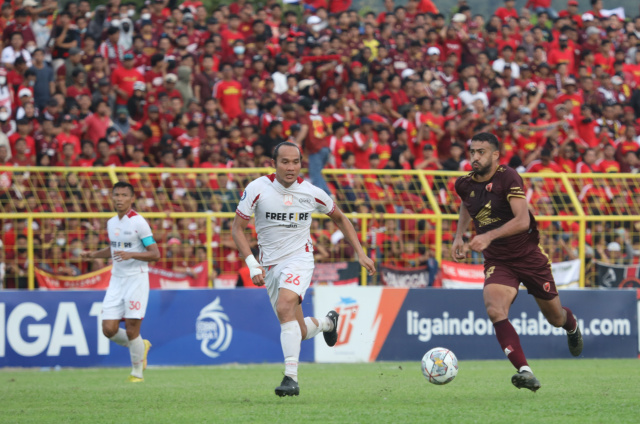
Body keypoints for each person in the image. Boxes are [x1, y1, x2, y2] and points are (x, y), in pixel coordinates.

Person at [232, 142, 376, 396]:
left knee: (285, 306)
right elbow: (237, 229)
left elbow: (341, 218)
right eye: (284, 162)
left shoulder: (312, 192)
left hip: (300, 258)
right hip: (270, 265)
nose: (290, 167)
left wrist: (360, 252)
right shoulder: (257, 189)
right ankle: (327, 323)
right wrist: (252, 263)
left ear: (302, 163)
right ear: (273, 163)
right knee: (296, 330)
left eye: (295, 162)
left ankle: (291, 379)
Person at [451, 132, 583, 392]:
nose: (475, 157)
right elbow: (467, 204)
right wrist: (459, 236)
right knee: (494, 309)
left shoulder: (508, 177)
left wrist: (487, 235)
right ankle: (525, 371)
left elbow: (523, 221)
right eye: (472, 152)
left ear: (495, 155)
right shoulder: (464, 183)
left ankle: (572, 326)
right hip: (498, 260)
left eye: (481, 152)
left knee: (555, 318)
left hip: (528, 257)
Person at [80, 182, 160, 382]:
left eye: (124, 195)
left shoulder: (139, 222)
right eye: (116, 194)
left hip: (136, 279)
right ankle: (142, 346)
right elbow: (114, 249)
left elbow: (155, 254)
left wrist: (131, 254)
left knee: (133, 328)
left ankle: (137, 374)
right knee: (108, 329)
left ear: (131, 198)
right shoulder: (111, 222)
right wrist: (93, 255)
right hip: (117, 280)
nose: (119, 198)